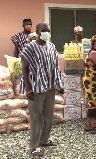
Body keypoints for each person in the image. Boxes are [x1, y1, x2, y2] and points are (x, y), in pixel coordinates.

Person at [20, 22, 64, 156]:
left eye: (48, 30)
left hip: (50, 86)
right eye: (44, 30)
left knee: (48, 116)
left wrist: (59, 84)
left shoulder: (51, 46)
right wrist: (28, 89)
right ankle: (33, 147)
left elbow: (56, 66)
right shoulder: (30, 47)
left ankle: (44, 139)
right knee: (36, 117)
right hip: (36, 88)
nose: (46, 33)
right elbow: (25, 69)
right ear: (37, 32)